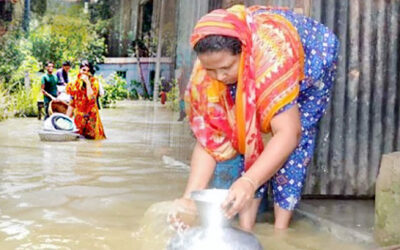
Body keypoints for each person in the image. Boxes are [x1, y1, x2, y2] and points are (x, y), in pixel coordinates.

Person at [176, 5, 339, 232]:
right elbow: (210, 138)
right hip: (259, 58)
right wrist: (189, 200)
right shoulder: (206, 71)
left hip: (313, 58)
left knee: (294, 137)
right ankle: (246, 231)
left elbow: (289, 133)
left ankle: (280, 230)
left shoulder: (272, 59)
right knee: (247, 131)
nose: (220, 76)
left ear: (244, 51)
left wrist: (249, 181)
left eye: (226, 68)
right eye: (212, 70)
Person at [66, 60, 106, 140]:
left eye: (88, 71)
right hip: (79, 118)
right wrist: (65, 119)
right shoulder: (74, 84)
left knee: (94, 142)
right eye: (84, 70)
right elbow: (72, 103)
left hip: (91, 117)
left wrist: (87, 83)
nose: (85, 73)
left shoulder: (94, 82)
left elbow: (91, 98)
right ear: (80, 70)